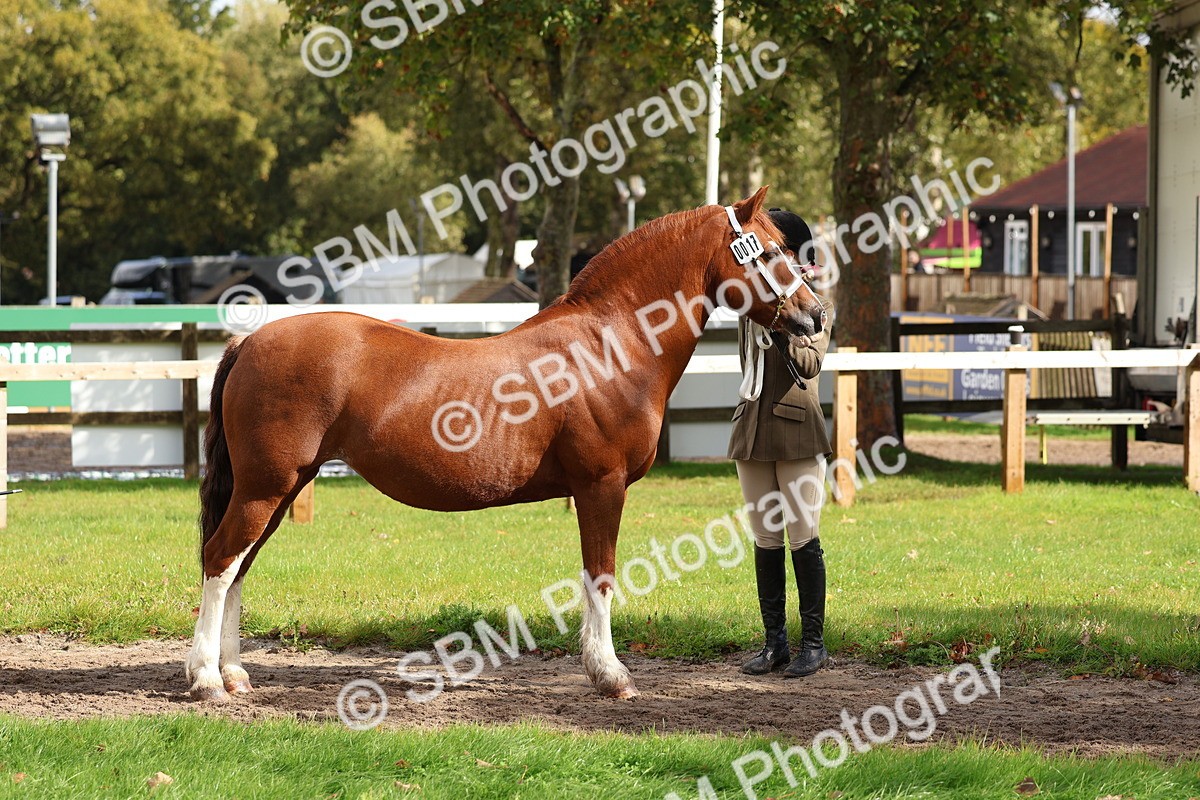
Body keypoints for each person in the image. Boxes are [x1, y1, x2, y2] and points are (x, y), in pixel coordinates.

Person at [729, 208, 833, 678]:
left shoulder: (815, 306)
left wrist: (782, 324)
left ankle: (814, 644)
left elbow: (810, 367)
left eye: (779, 247)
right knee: (765, 541)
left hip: (796, 432)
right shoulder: (754, 302)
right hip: (751, 431)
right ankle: (775, 644)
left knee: (802, 537)